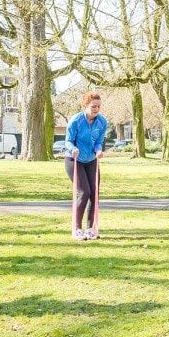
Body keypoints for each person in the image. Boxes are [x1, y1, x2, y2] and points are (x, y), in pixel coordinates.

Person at [64, 91, 107, 240]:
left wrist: (99, 150)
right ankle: (77, 229)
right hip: (74, 159)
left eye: (99, 106)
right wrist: (72, 148)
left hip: (91, 160)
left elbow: (99, 141)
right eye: (93, 106)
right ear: (86, 105)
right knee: (84, 192)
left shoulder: (102, 122)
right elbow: (68, 141)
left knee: (94, 193)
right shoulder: (76, 120)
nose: (96, 109)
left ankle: (90, 228)